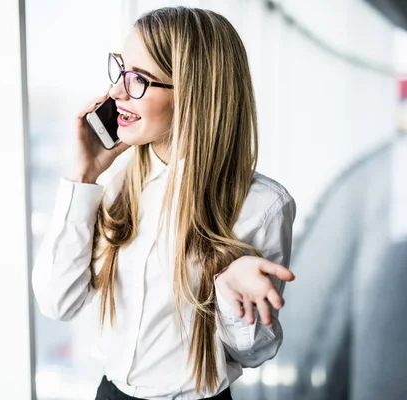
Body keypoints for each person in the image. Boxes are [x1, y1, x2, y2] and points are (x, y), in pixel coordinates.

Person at [32, 6, 296, 400]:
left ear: (193, 93)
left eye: (138, 79)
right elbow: (58, 303)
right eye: (121, 70)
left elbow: (254, 352)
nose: (117, 91)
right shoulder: (117, 182)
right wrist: (83, 178)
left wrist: (228, 293)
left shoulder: (261, 206)